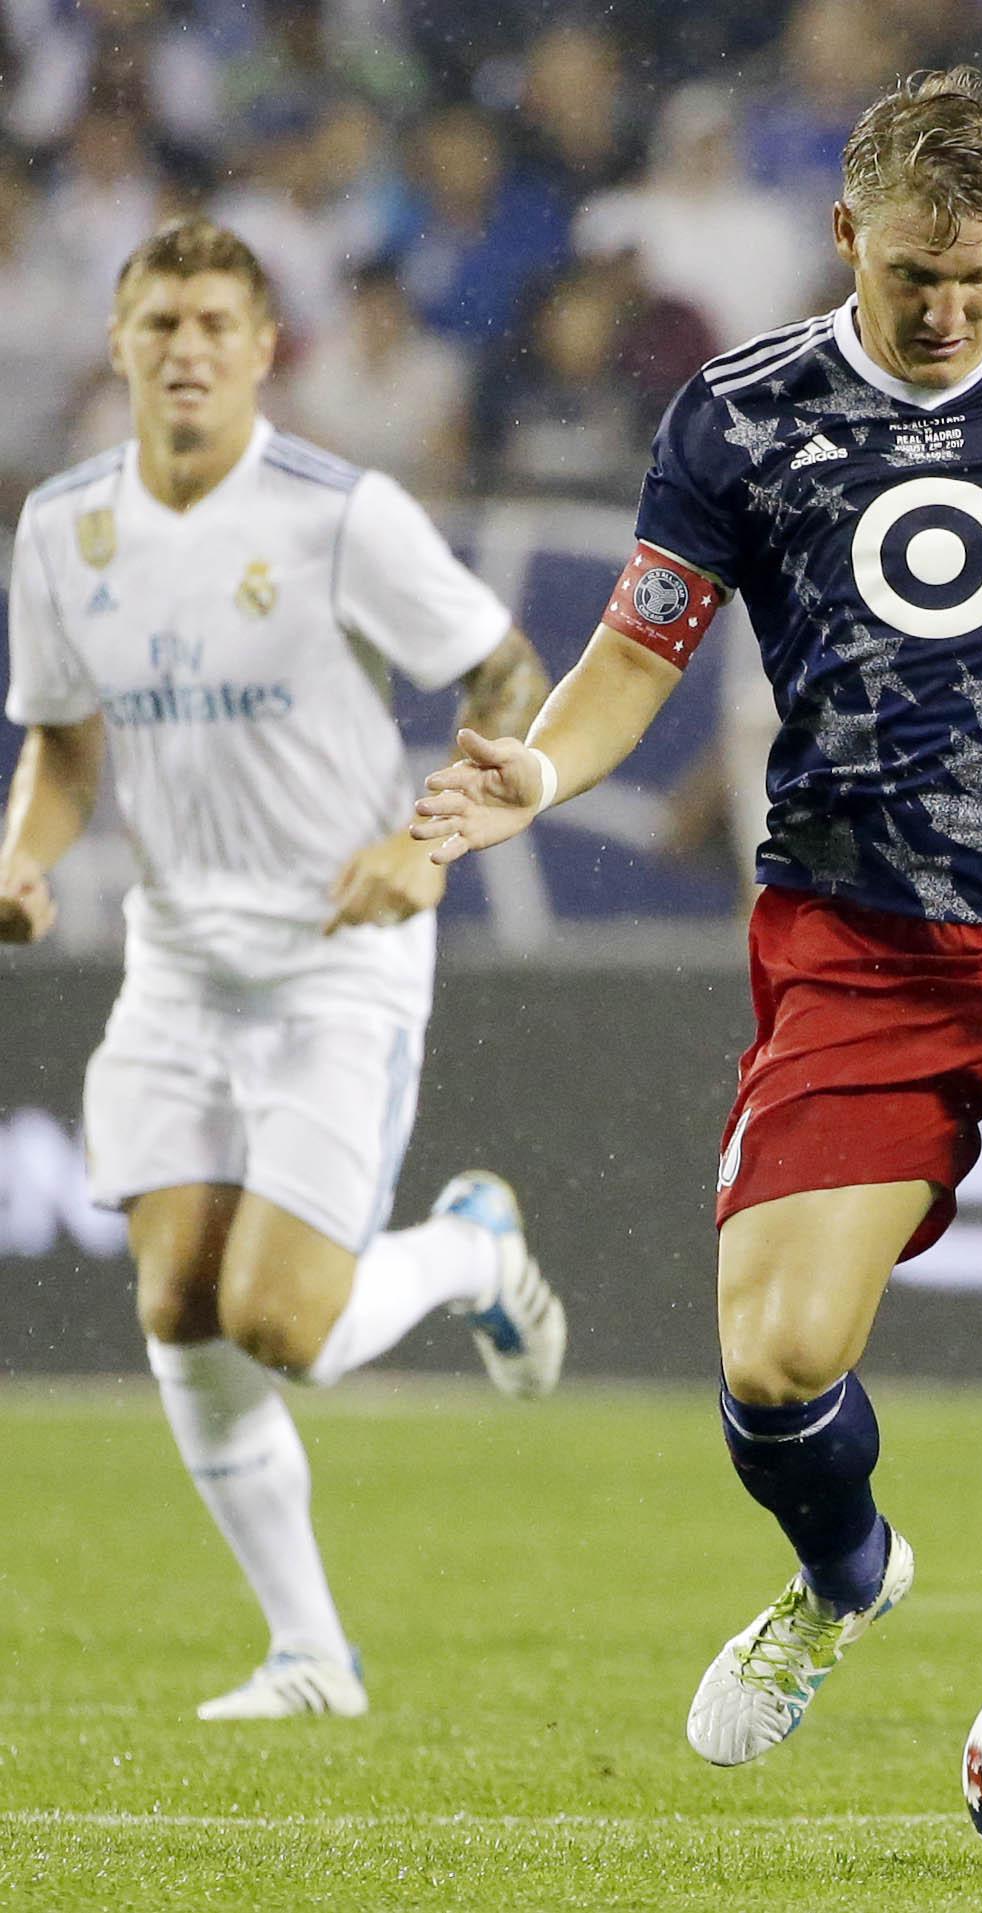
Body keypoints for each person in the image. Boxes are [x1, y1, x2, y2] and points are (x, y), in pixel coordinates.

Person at [411, 70, 982, 1870]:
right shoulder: (742, 416)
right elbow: (640, 649)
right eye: (920, 274)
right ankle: (847, 1570)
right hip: (862, 937)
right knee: (776, 1357)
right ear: (850, 236)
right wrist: (533, 767)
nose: (950, 314)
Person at [0, 216, 566, 1721]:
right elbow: (61, 745)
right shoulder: (61, 526)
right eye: (159, 320)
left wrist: (426, 840)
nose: (185, 347)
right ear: (116, 342)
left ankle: (468, 1249)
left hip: (342, 955)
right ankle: (312, 1653)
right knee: (178, 1303)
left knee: (284, 1325)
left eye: (214, 325)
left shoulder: (338, 513)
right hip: (178, 960)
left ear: (264, 352)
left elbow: (504, 671)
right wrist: (23, 849)